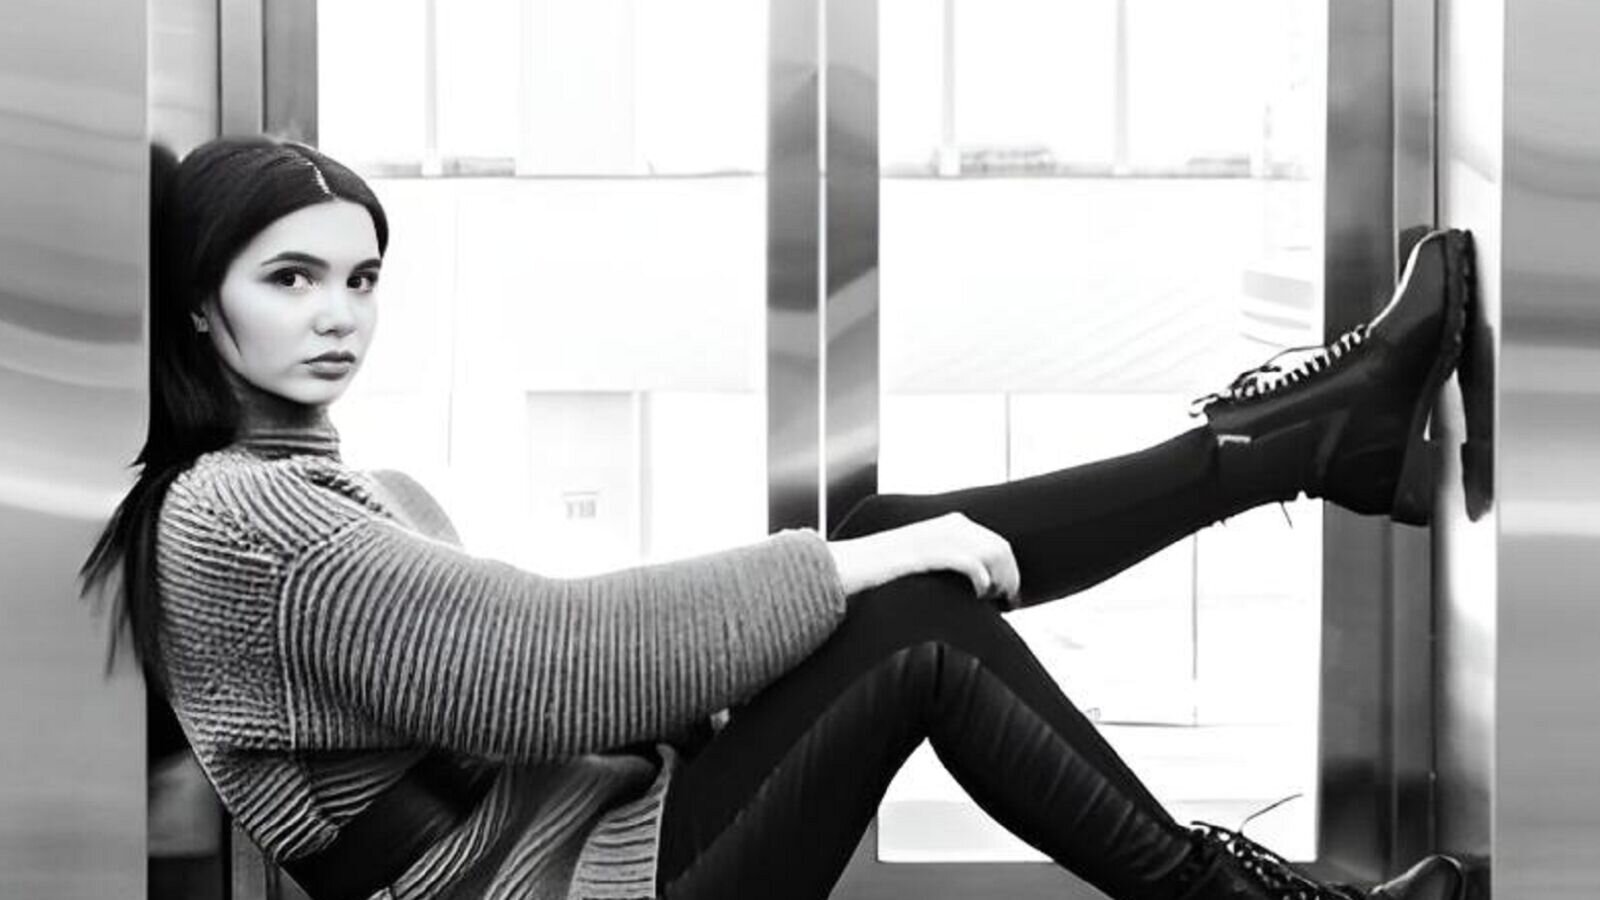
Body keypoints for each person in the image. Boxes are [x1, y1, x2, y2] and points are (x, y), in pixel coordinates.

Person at [79, 135, 1472, 900]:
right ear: (200, 304)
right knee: (914, 616)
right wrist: (861, 569)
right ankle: (1293, 469)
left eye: (362, 278)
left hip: (600, 840)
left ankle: (1304, 448)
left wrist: (860, 560)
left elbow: (540, 692)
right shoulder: (237, 522)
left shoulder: (326, 494)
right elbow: (549, 665)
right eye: (291, 279)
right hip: (567, 893)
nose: (338, 315)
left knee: (894, 530)